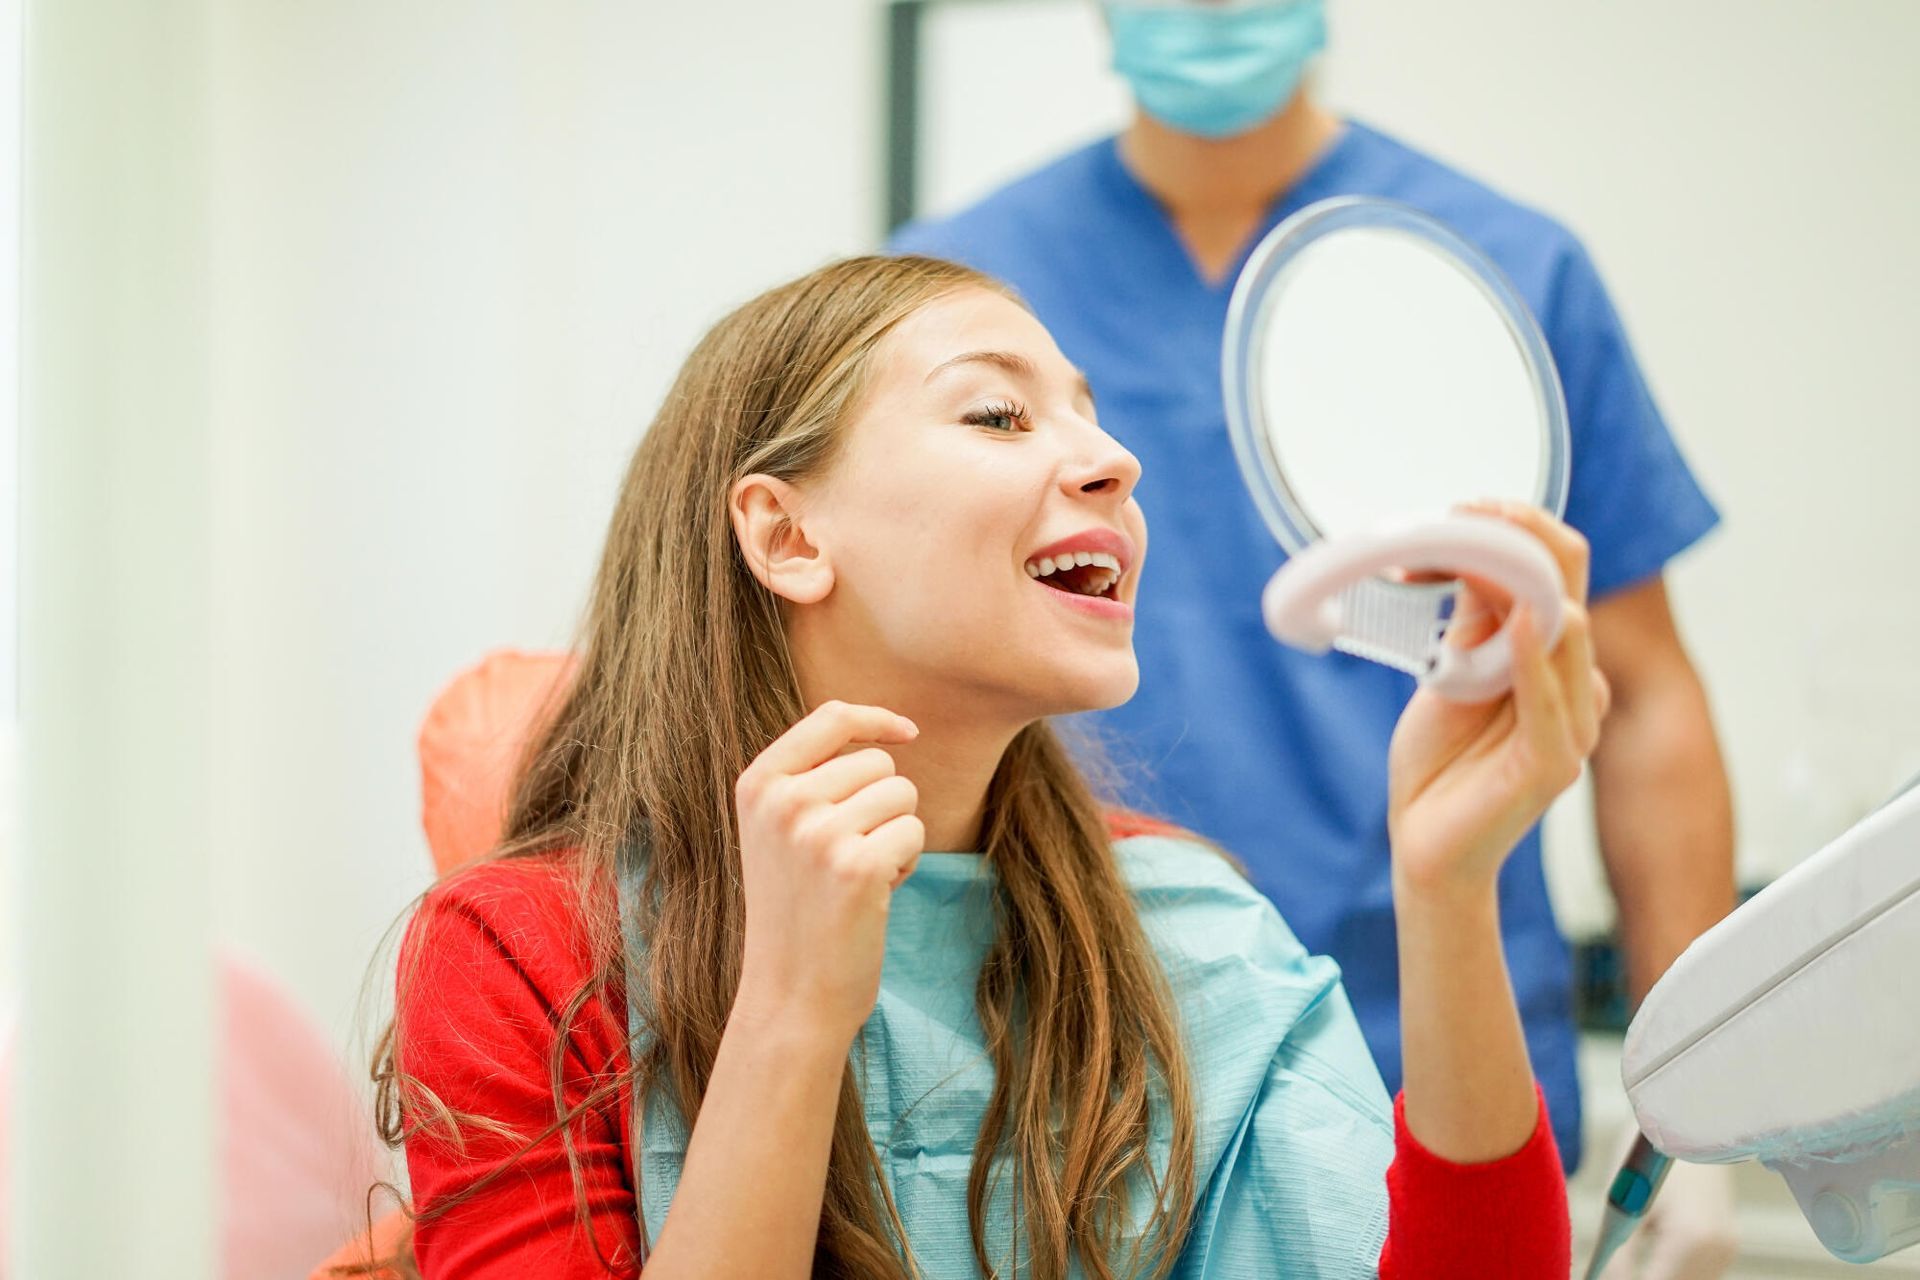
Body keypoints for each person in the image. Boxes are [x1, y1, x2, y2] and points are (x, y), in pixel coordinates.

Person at [374, 255, 1603, 1277]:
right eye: (999, 415)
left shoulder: (1191, 924)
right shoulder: (522, 950)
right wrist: (794, 1014)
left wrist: (1446, 887)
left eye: (1090, 413)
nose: (1115, 463)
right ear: (789, 534)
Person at [889, 7, 1737, 1269]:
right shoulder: (956, 301)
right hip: (1055, 1056)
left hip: (1435, 1040)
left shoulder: (1504, 272)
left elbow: (1646, 694)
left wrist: (1703, 1106)